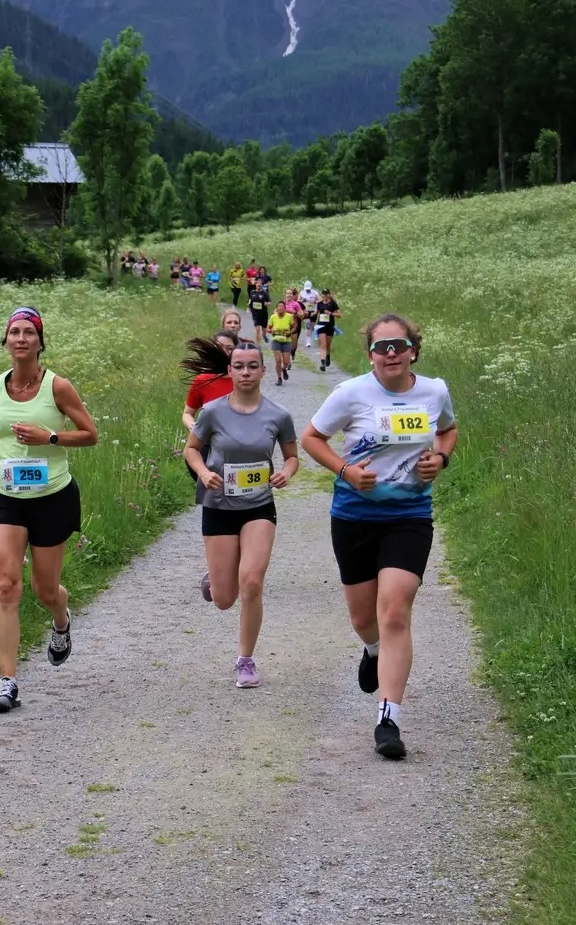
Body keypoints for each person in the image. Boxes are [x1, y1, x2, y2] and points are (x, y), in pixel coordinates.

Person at [300, 313, 457, 760]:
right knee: (364, 618)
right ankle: (372, 650)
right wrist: (346, 470)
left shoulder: (434, 391)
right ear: (370, 354)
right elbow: (311, 438)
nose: (391, 354)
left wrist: (441, 459)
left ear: (413, 351)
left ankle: (388, 720)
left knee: (395, 611)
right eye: (381, 347)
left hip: (409, 515)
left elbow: (447, 430)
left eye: (399, 345)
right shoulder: (350, 393)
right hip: (354, 516)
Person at [0, 307, 99, 714]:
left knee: (45, 590)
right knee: (6, 585)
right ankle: (7, 682)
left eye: (28, 332)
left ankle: (61, 619)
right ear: (5, 341)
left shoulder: (58, 387)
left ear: (40, 342)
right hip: (4, 494)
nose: (20, 338)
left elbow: (90, 435)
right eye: (14, 332)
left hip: (51, 495)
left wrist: (49, 436)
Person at [183, 342, 299, 688]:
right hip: (218, 505)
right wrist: (204, 472)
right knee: (224, 600)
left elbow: (292, 456)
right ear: (229, 371)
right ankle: (217, 578)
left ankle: (245, 661)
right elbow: (191, 450)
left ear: (263, 370)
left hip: (259, 506)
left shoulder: (279, 415)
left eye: (252, 366)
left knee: (252, 582)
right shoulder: (212, 412)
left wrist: (286, 472)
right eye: (239, 366)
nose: (246, 372)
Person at [181, 331, 238, 434]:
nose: (225, 352)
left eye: (229, 348)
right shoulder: (202, 380)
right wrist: (193, 426)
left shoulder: (242, 380)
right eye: (220, 347)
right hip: (208, 438)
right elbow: (187, 414)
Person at [267, 300, 295, 386]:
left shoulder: (289, 317)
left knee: (286, 362)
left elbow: (294, 327)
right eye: (279, 306)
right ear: (276, 308)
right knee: (278, 360)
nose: (280, 308)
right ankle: (279, 378)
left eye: (282, 306)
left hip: (286, 341)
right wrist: (271, 330)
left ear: (285, 308)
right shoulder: (273, 317)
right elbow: (268, 329)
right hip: (276, 341)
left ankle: (284, 369)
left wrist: (290, 332)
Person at [314, 288, 342, 371]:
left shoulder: (333, 303)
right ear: (322, 295)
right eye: (323, 294)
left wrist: (331, 313)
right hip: (321, 326)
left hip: (330, 326)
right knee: (323, 345)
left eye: (326, 294)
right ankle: (322, 363)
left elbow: (340, 315)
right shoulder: (319, 304)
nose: (325, 295)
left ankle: (328, 356)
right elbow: (316, 312)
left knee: (327, 345)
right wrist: (309, 314)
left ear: (329, 295)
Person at [284, 288, 304, 368]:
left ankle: (291, 354)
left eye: (290, 293)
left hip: (294, 327)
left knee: (293, 345)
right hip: (284, 327)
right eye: (288, 293)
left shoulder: (296, 304)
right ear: (285, 294)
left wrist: (295, 312)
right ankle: (287, 361)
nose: (289, 295)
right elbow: (275, 311)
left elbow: (302, 315)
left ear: (293, 295)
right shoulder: (282, 304)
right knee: (285, 344)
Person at [248, 278, 271, 345]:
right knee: (257, 329)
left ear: (262, 285)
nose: (259, 285)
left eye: (260, 284)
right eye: (257, 283)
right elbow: (250, 300)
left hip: (263, 314)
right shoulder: (252, 292)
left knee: (264, 329)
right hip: (255, 314)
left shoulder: (265, 293)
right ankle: (258, 345)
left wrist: (267, 304)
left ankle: (264, 335)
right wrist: (248, 307)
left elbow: (269, 302)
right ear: (255, 284)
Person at [299, 281, 318, 347]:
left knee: (312, 327)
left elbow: (320, 300)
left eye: (308, 289)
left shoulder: (315, 293)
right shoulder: (302, 292)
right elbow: (298, 301)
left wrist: (315, 301)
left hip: (313, 311)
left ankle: (312, 338)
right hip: (306, 311)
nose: (307, 290)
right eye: (306, 289)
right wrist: (302, 301)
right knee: (307, 325)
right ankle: (308, 342)